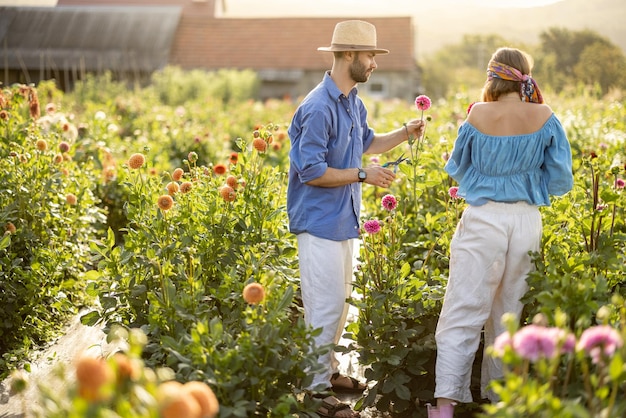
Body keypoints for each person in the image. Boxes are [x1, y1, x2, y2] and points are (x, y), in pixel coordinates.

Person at [287, 20, 425, 418]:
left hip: (344, 219)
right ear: (349, 56)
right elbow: (311, 171)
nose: (374, 64)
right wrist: (364, 175)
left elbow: (366, 143)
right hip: (318, 223)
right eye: (370, 56)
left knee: (342, 305)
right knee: (323, 307)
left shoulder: (351, 102)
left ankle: (328, 375)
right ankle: (315, 393)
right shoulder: (316, 108)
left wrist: (404, 132)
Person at [430, 47, 573, 417]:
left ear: (493, 76)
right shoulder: (546, 116)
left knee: (462, 310)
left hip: (484, 218)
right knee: (509, 312)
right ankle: (500, 403)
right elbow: (560, 180)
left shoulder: (477, 115)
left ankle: (445, 407)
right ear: (524, 76)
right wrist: (526, 178)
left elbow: (457, 169)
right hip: (526, 221)